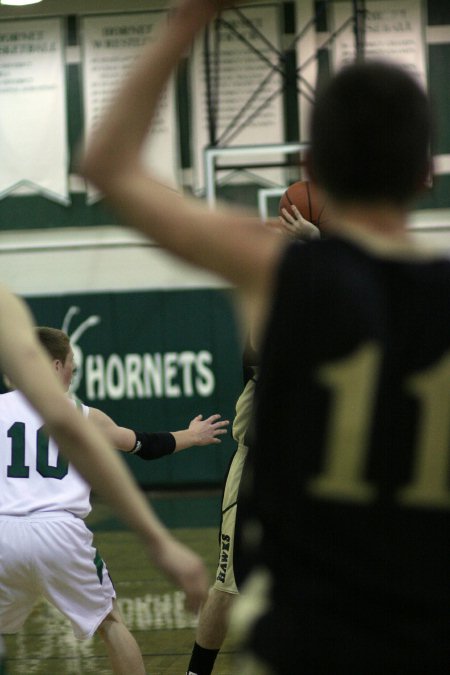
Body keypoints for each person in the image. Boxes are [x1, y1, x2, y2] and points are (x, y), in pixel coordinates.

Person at [80, 0, 450, 673]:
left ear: (314, 164)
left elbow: (107, 166)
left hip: (309, 642)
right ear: (426, 172)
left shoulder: (277, 268)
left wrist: (190, 19)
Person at [0, 325, 227, 675]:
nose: (74, 372)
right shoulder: (82, 414)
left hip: (3, 533)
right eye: (72, 363)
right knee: (110, 623)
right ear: (57, 365)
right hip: (61, 531)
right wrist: (190, 436)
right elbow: (143, 445)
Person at [186, 210, 320, 675]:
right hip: (257, 468)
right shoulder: (267, 318)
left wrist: (315, 243)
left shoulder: (335, 311)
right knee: (227, 584)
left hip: (311, 470)